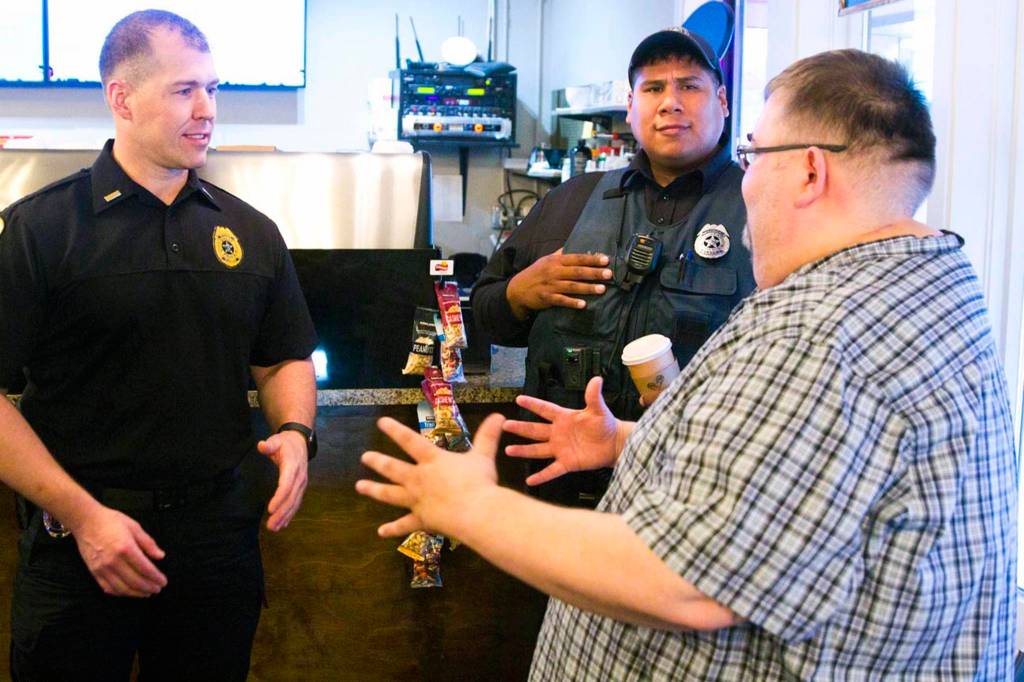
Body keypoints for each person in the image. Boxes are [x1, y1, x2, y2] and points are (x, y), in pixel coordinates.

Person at [357, 49, 1017, 680]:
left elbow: (689, 583)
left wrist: (468, 506)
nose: (747, 178)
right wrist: (635, 441)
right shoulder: (925, 283)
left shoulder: (818, 328)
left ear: (811, 172)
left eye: (756, 154)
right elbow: (814, 476)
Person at [0, 10, 318, 680]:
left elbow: (283, 353)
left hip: (215, 546)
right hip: (80, 546)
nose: (207, 110)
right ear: (122, 98)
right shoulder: (40, 230)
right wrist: (84, 517)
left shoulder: (250, 231)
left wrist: (295, 430)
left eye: (213, 88)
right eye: (184, 90)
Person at [471, 27, 755, 507]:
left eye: (690, 85)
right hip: (559, 490)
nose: (670, 102)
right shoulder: (568, 200)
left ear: (722, 101)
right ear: (631, 105)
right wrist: (519, 292)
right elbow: (484, 315)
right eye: (653, 88)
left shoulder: (762, 209)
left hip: (695, 494)